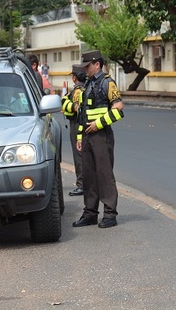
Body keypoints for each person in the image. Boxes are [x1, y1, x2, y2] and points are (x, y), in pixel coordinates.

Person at [72, 50, 124, 229]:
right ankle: (90, 213)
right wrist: (80, 136)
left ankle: (110, 214)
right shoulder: (86, 85)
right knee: (89, 176)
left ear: (97, 64)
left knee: (104, 175)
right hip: (87, 135)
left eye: (87, 66)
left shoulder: (107, 83)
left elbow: (118, 108)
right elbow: (82, 113)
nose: (85, 70)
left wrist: (99, 124)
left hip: (101, 135)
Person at [61, 64, 86, 196]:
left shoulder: (77, 91)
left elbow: (76, 108)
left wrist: (64, 101)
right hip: (83, 124)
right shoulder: (86, 87)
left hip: (77, 125)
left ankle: (81, 185)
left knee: (79, 156)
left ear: (75, 77)